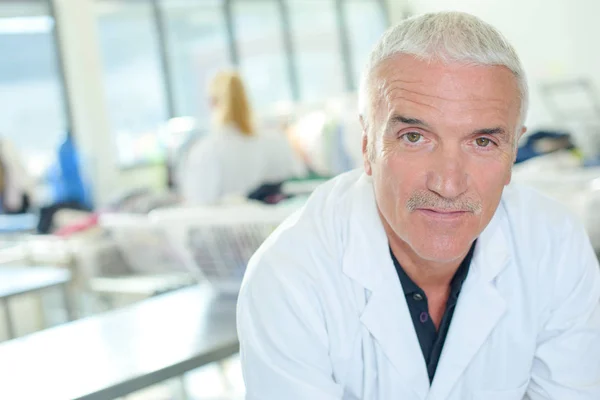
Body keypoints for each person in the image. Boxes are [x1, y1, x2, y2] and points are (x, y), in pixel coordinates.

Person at [237, 11, 600, 399]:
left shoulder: (554, 246)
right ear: (367, 145)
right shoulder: (291, 276)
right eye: (414, 137)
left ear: (513, 151)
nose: (447, 184)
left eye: (482, 142)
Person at [179, 70, 305, 205]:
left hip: (225, 224)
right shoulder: (275, 140)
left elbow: (198, 202)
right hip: (274, 222)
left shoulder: (206, 150)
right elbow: (296, 176)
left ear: (212, 102)